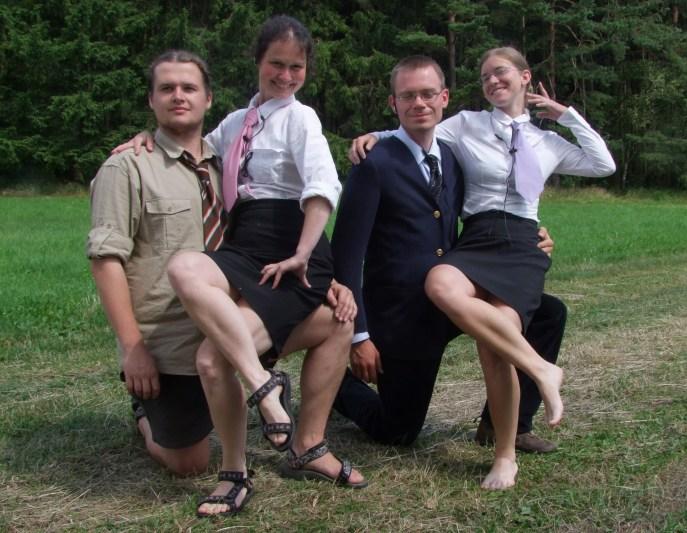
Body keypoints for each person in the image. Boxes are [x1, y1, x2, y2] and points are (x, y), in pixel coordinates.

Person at [117, 16, 367, 516]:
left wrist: (304, 253)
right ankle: (265, 388)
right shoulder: (235, 122)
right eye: (276, 63)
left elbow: (322, 187)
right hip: (245, 245)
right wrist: (147, 137)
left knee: (214, 359)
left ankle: (266, 462)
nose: (286, 75)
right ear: (257, 62)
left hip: (292, 247)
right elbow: (192, 145)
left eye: (296, 67)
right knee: (185, 270)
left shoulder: (302, 119)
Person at [351, 48, 615, 489]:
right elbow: (418, 128)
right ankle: (542, 369)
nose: (492, 80)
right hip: (477, 237)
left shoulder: (547, 142)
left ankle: (504, 454)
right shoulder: (467, 124)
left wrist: (565, 115)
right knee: (440, 283)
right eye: (485, 76)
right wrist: (373, 137)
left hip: (523, 243)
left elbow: (603, 164)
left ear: (525, 77)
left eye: (501, 72)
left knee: (496, 343)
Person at [87, 50, 220, 476]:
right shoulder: (126, 168)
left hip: (229, 329)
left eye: (189, 88)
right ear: (151, 100)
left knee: (326, 319)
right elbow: (106, 260)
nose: (178, 96)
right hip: (169, 347)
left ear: (208, 98)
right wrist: (134, 349)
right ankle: (143, 410)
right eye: (167, 88)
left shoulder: (230, 163)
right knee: (190, 463)